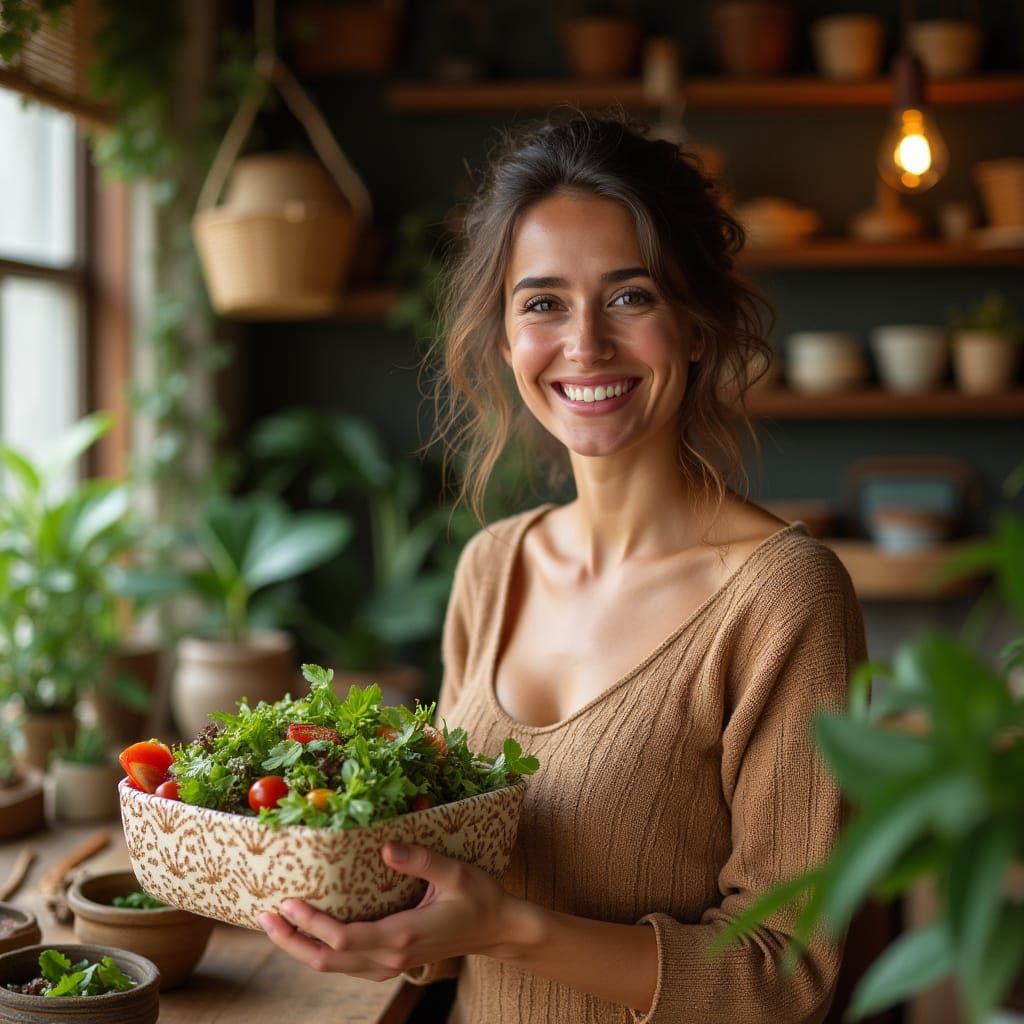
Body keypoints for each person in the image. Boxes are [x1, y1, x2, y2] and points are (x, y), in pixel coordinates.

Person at [258, 113, 867, 1024]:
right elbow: (445, 876)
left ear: (696, 327)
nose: (585, 343)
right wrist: (377, 916)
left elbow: (786, 974)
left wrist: (508, 928)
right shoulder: (491, 567)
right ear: (506, 342)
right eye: (543, 302)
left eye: (630, 297)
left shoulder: (784, 600)